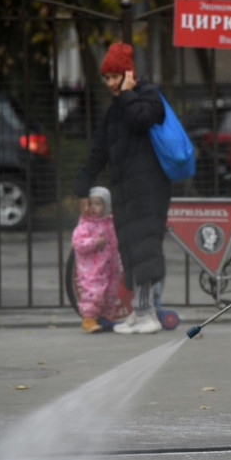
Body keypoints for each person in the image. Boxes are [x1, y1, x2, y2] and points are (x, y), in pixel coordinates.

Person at [74, 42, 170, 335]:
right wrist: (82, 184)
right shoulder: (116, 109)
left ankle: (146, 315)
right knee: (130, 249)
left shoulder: (147, 95)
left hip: (149, 188)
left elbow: (142, 119)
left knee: (144, 249)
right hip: (126, 191)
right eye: (107, 78)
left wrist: (128, 92)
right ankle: (142, 310)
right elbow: (99, 150)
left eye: (116, 76)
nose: (111, 84)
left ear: (129, 73)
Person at [72, 187, 121, 333]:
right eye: (91, 204)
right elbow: (78, 243)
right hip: (92, 269)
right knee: (93, 292)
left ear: (106, 206)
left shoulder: (110, 222)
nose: (93, 208)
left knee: (109, 293)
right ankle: (88, 319)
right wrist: (94, 242)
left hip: (110, 267)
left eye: (98, 204)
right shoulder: (86, 224)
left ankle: (104, 318)